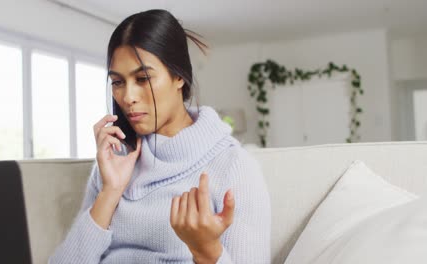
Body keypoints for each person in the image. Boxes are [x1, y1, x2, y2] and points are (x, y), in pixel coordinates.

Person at [49, 9, 271, 264]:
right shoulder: (114, 161)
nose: (128, 96)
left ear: (179, 76)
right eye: (118, 82)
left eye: (142, 78)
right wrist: (110, 191)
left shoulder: (234, 166)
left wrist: (207, 253)